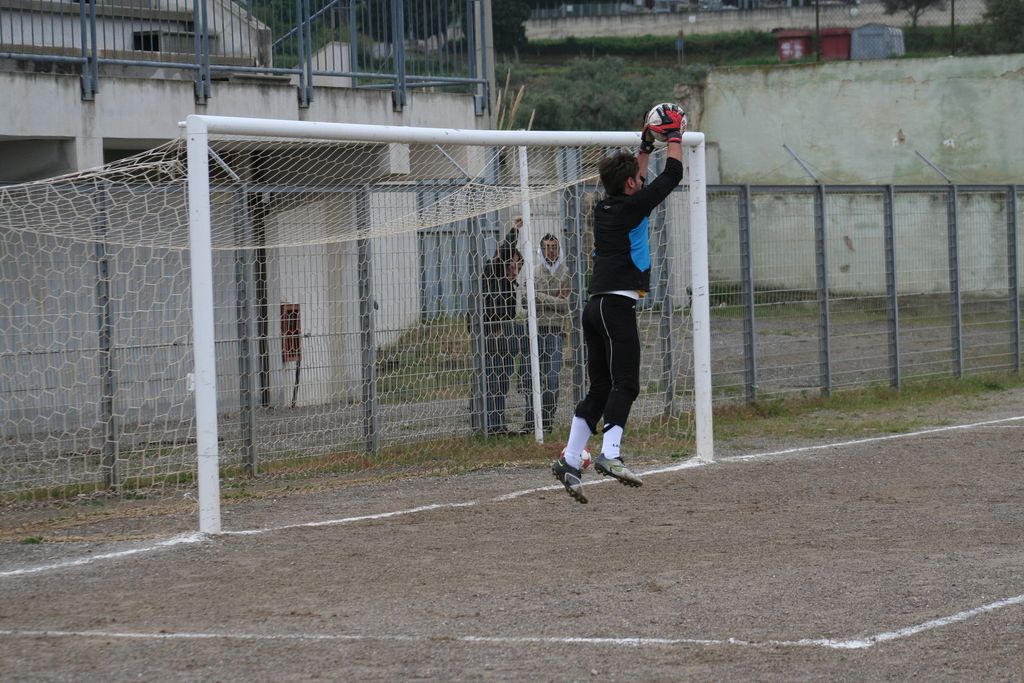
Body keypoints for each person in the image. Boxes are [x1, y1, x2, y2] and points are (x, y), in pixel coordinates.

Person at [551, 103, 686, 504]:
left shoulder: (606, 206)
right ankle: (610, 454)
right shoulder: (634, 206)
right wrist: (674, 136)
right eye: (638, 179)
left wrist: (644, 146)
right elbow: (673, 174)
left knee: (600, 388)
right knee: (626, 383)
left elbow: (636, 177)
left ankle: (570, 459)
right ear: (630, 185)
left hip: (594, 307)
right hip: (615, 307)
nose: (641, 182)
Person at [481, 216, 527, 435]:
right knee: (491, 381)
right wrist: (514, 231)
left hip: (505, 339)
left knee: (501, 382)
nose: (514, 268)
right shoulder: (493, 272)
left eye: (518, 264)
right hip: (490, 335)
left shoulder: (510, 285)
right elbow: (504, 254)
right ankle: (489, 425)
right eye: (512, 263)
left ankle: (498, 425)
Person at [521, 233, 571, 434]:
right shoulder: (533, 272)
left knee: (552, 379)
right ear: (541, 250)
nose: (551, 251)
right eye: (547, 247)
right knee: (531, 379)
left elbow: (565, 305)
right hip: (534, 332)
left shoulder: (566, 273)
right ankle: (530, 423)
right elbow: (525, 302)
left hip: (555, 332)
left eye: (554, 247)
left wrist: (538, 295)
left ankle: (547, 421)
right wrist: (553, 299)